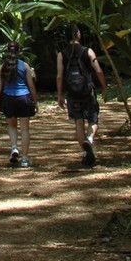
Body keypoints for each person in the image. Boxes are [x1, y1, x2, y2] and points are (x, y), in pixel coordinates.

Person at [57, 24, 107, 167]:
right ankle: (89, 139)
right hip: (87, 91)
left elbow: (59, 76)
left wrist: (60, 94)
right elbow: (98, 70)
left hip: (72, 93)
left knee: (78, 122)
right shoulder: (88, 51)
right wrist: (104, 87)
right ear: (78, 34)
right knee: (93, 120)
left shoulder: (61, 54)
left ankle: (86, 153)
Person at [0, 40, 38, 167]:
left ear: (7, 51)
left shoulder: (2, 67)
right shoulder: (25, 66)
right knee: (25, 129)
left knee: (12, 126)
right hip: (24, 98)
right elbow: (31, 86)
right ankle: (25, 158)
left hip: (8, 99)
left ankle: (14, 148)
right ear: (19, 52)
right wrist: (35, 101)